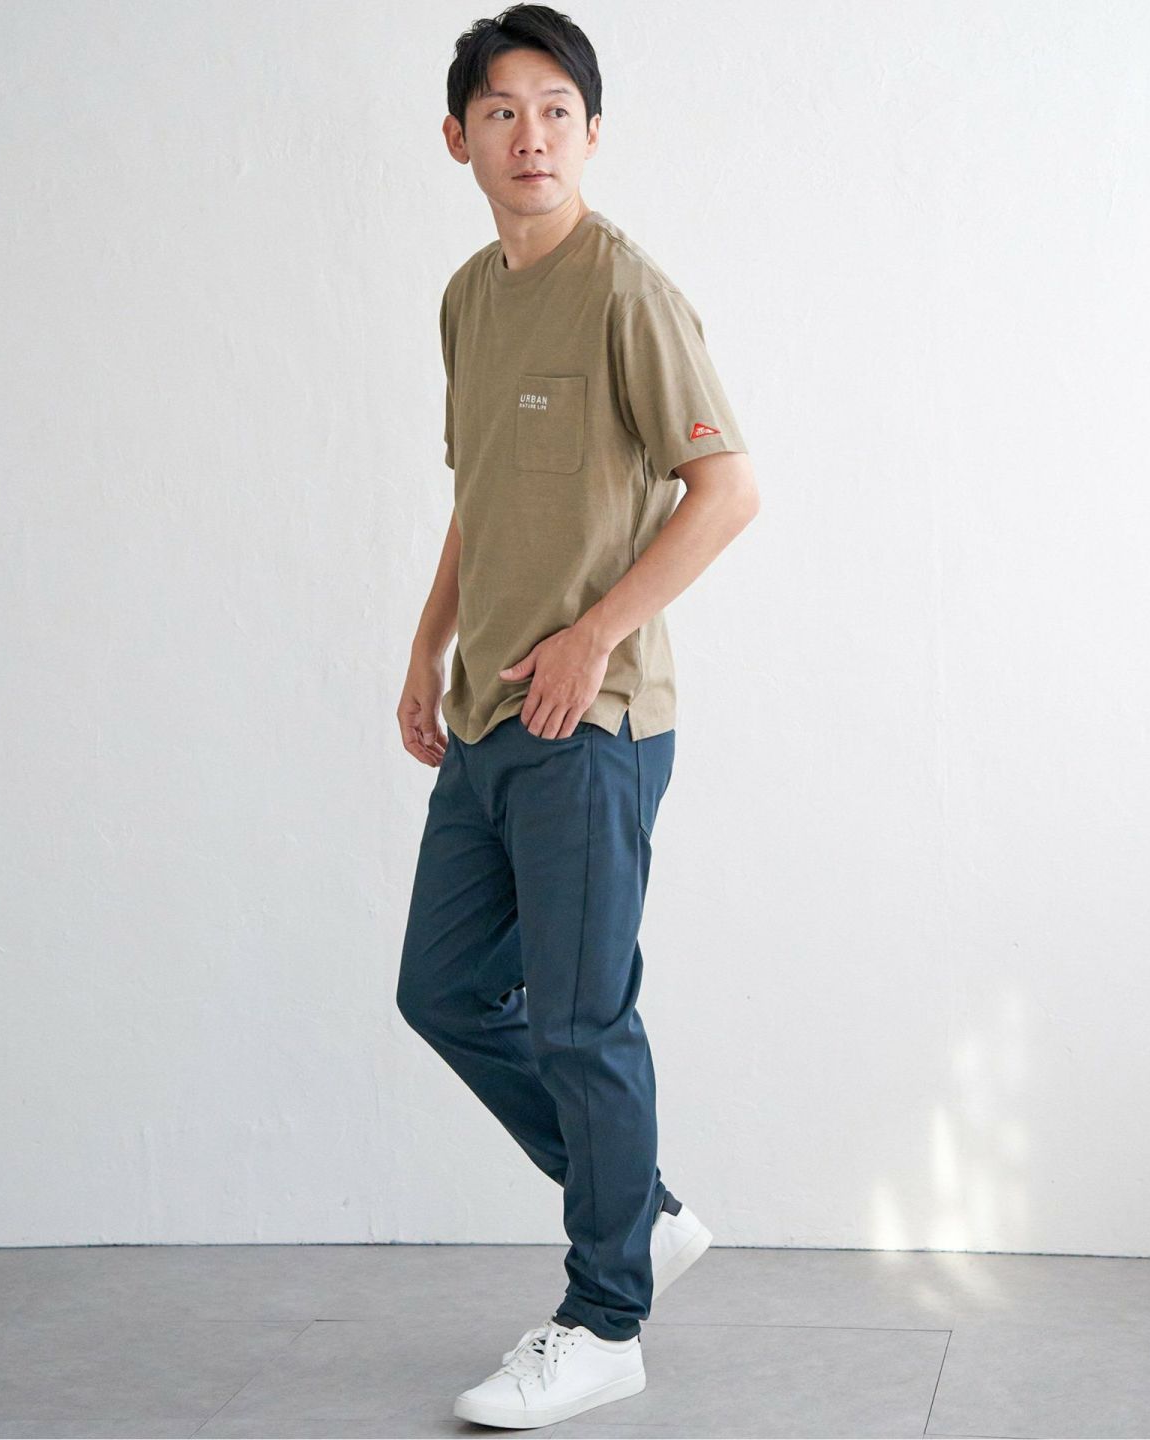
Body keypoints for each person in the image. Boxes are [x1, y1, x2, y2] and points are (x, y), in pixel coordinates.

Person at [395, 3, 760, 1428]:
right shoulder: (467, 297)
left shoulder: (628, 293)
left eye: (556, 109)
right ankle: (639, 1212)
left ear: (592, 133)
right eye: (502, 110)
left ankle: (607, 1321)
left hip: (592, 722)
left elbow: (727, 489)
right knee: (443, 990)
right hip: (488, 715)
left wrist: (593, 635)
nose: (530, 135)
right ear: (459, 138)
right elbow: (478, 494)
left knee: (580, 1021)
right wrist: (427, 645)